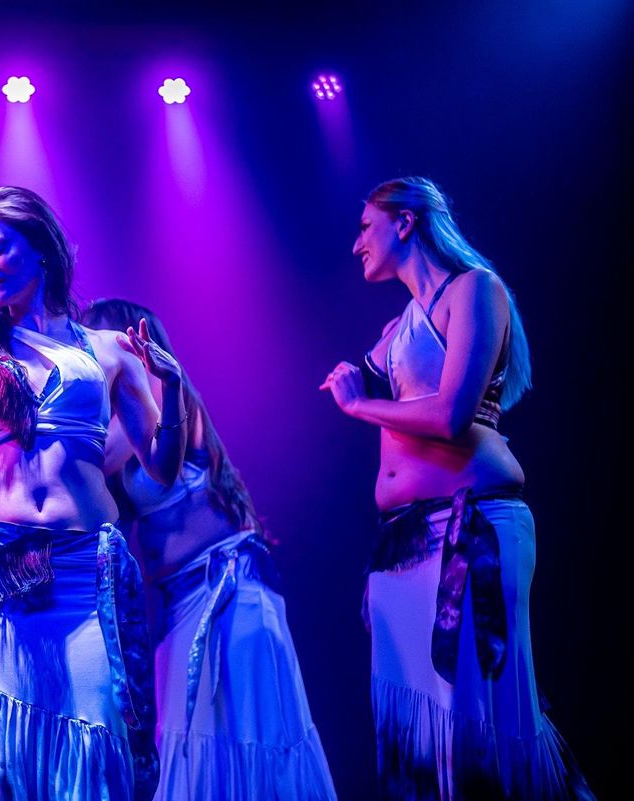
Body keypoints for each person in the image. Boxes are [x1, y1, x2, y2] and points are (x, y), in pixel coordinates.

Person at [0, 186, 186, 800]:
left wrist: (175, 389)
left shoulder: (109, 353)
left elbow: (160, 469)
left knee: (92, 739)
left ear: (42, 249)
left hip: (82, 577)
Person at [321, 177, 593, 800]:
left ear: (406, 222)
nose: (356, 244)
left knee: (472, 713)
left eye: (366, 227)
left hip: (468, 530)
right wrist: (349, 379)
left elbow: (449, 416)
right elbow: (363, 373)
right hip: (403, 543)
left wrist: (361, 408)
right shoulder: (398, 326)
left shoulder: (474, 290)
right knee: (416, 731)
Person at [85, 299, 337, 801]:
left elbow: (103, 452)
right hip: (178, 605)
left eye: (93, 341)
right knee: (189, 742)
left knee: (246, 732)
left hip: (227, 592)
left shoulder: (166, 403)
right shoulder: (122, 411)